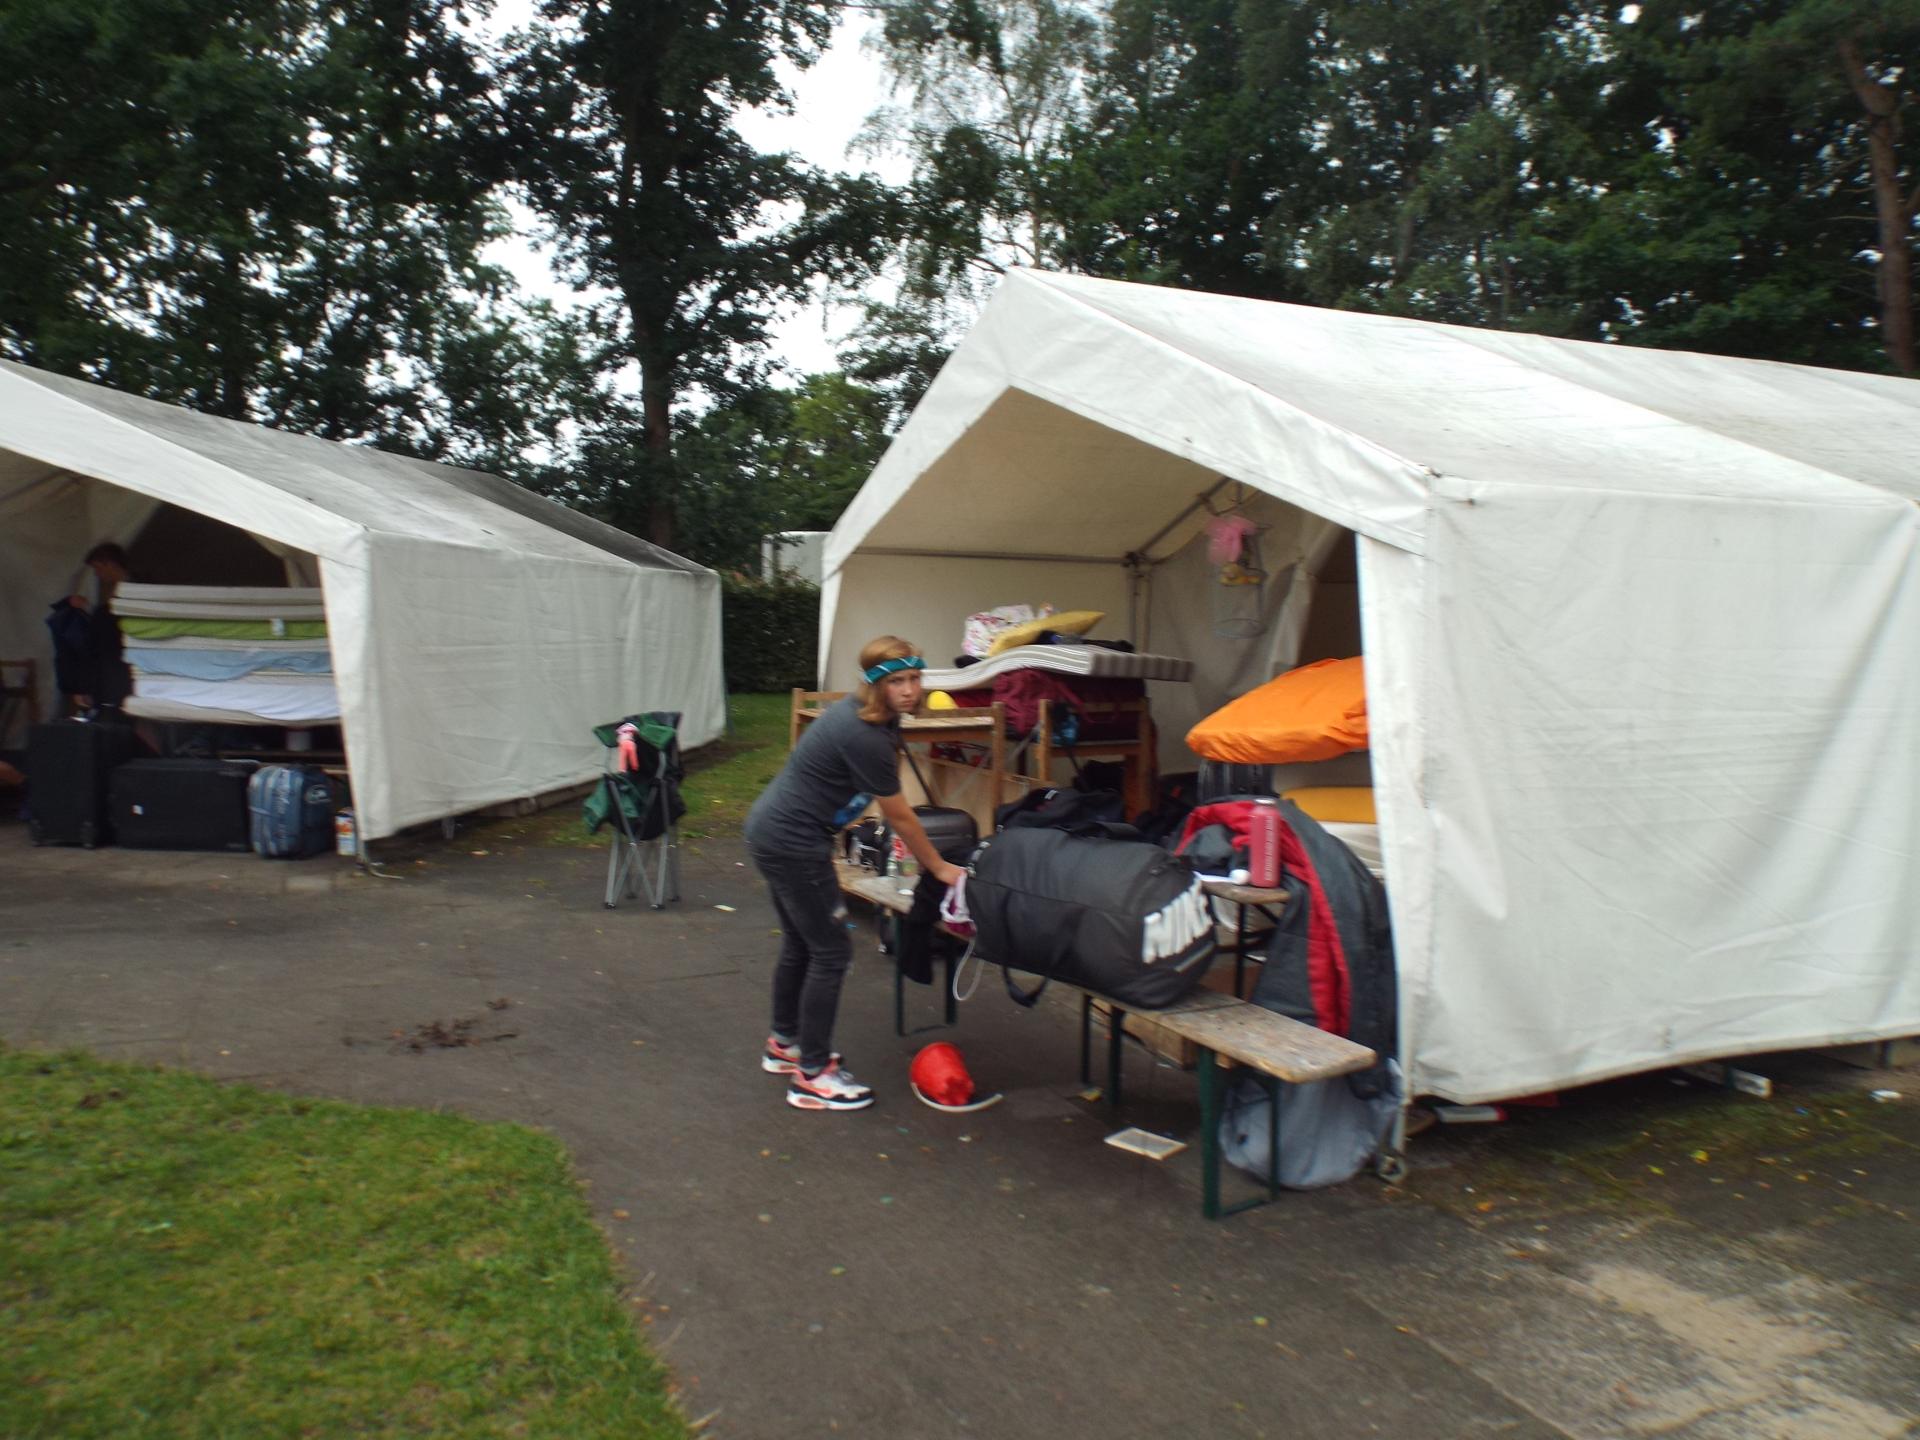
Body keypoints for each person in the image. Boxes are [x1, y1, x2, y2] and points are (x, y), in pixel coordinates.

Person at [744, 636, 965, 1112]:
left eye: (915, 678)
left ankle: (785, 1045)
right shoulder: (863, 733)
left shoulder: (871, 718)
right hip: (792, 843)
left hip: (773, 831)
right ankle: (812, 1077)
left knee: (801, 942)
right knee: (831, 952)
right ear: (875, 684)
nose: (910, 690)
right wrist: (939, 866)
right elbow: (900, 815)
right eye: (897, 681)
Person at [48, 541, 134, 713]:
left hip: (121, 668)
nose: (97, 574)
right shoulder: (116, 592)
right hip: (115, 669)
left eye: (98, 568)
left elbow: (110, 628)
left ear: (110, 564)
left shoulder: (133, 591)